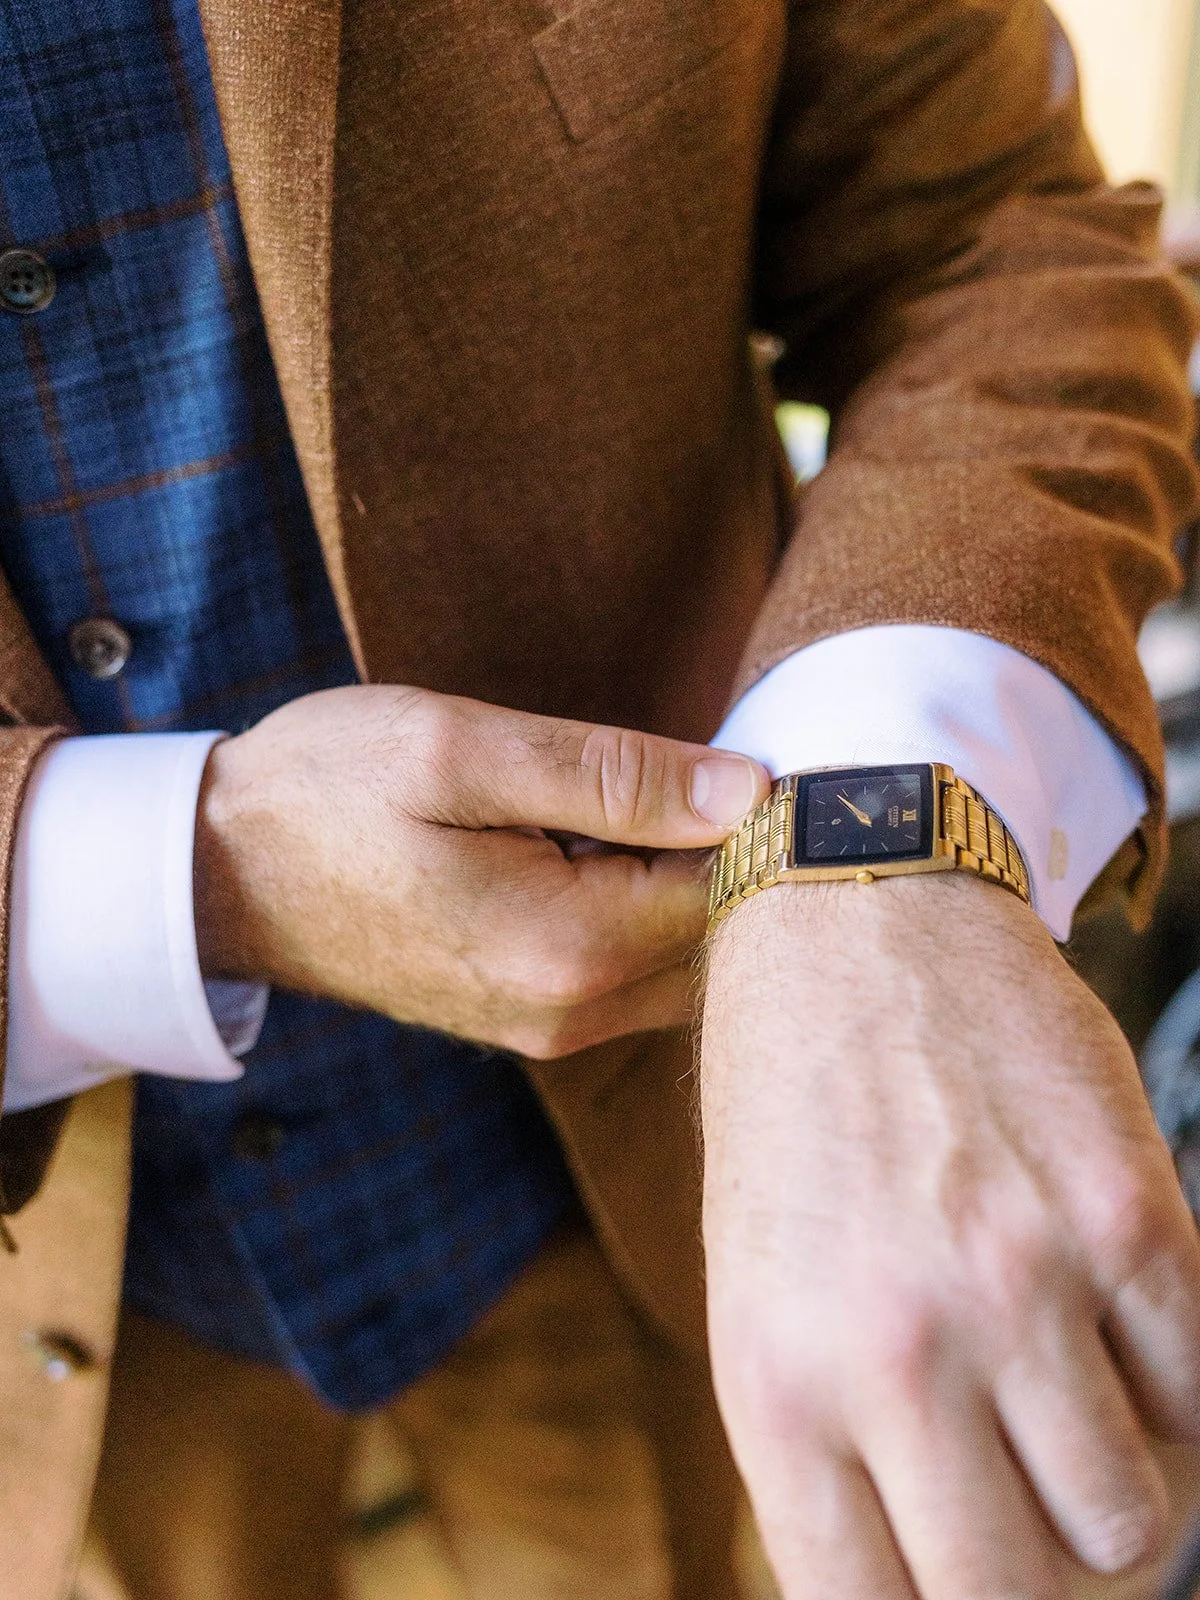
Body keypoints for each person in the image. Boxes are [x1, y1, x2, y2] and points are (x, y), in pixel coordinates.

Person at [1, 0, 1199, 1596]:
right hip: (70, 1286)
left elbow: (997, 231)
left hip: (635, 1150)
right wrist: (182, 875)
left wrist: (883, 848)